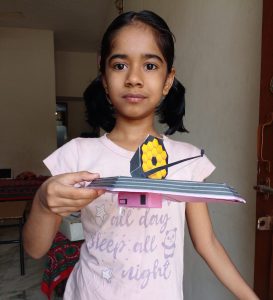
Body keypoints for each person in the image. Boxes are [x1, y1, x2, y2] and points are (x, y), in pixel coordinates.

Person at [23, 10, 259, 300]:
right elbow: (35, 249)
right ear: (105, 79)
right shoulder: (76, 154)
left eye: (149, 65)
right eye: (120, 65)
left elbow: (207, 242)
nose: (134, 78)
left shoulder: (188, 162)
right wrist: (43, 202)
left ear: (168, 80)